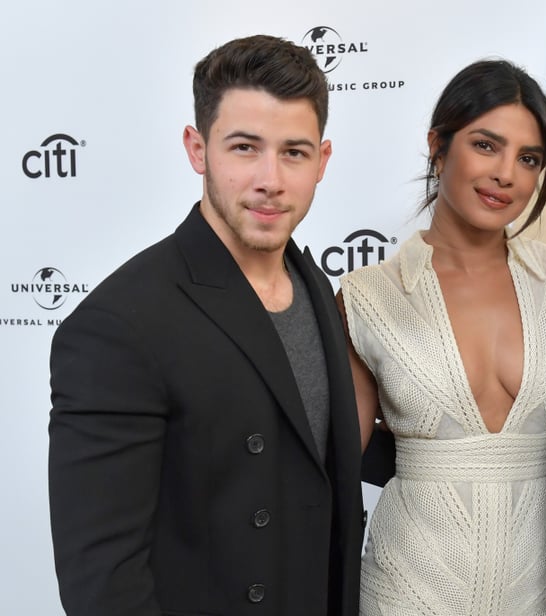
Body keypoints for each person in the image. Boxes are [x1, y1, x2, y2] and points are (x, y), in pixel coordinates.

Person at [48, 35, 363, 615]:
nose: (271, 179)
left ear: (321, 161)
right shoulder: (118, 325)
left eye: (293, 152)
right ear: (198, 149)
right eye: (245, 148)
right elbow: (102, 581)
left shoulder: (315, 283)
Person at [338, 59, 546, 615]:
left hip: (541, 584)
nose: (507, 173)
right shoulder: (367, 298)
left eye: (529, 159)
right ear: (438, 146)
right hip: (409, 583)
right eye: (485, 145)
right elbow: (334, 463)